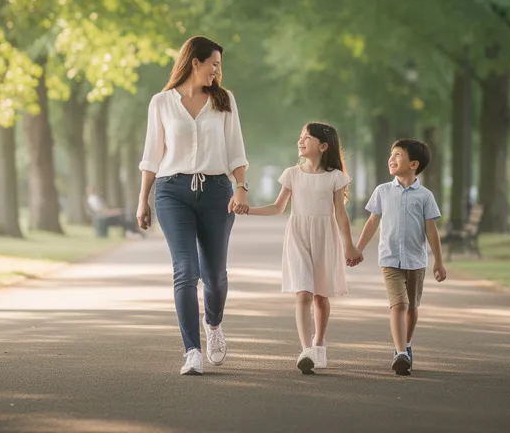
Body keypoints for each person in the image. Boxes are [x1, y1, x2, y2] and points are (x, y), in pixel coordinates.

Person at [136, 36, 250, 376]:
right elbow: (152, 155)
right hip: (172, 192)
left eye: (219, 65)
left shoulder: (224, 101)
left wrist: (240, 186)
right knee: (186, 271)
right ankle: (192, 351)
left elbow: (236, 150)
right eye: (213, 64)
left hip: (216, 192)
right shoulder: (161, 103)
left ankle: (213, 326)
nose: (217, 71)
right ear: (194, 62)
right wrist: (143, 199)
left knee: (214, 277)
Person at [246, 123, 361, 374]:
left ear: (323, 146)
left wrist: (349, 245)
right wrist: (249, 210)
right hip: (298, 235)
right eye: (300, 137)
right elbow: (278, 208)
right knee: (303, 292)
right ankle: (306, 350)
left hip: (325, 237)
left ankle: (319, 344)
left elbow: (340, 214)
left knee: (320, 295)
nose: (301, 141)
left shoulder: (335, 177)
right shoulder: (292, 174)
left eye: (307, 137)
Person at [351, 138, 446, 376]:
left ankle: (407, 343)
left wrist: (439, 261)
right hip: (390, 259)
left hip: (416, 260)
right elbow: (373, 222)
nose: (391, 159)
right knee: (399, 304)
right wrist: (358, 248)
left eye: (398, 155)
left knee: (412, 307)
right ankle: (400, 351)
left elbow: (431, 230)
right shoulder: (382, 191)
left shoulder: (425, 196)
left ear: (414, 164)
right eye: (391, 155)